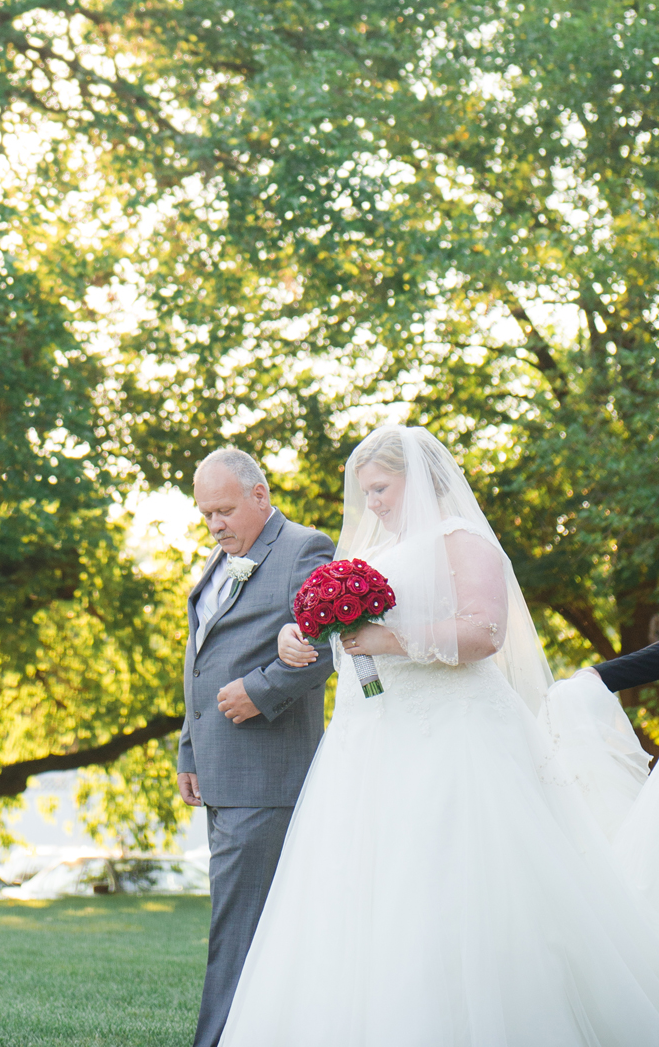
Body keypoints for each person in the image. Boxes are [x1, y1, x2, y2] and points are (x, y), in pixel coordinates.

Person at [219, 424, 659, 1046]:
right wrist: (300, 637)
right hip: (373, 741)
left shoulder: (463, 541)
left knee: (455, 881)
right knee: (361, 892)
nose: (370, 503)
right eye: (364, 492)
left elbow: (483, 634)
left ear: (419, 480)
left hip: (455, 736)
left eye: (380, 488)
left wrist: (385, 640)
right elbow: (336, 633)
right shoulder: (372, 555)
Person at [177, 447, 334, 1047]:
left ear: (260, 496)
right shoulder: (219, 561)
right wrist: (189, 752)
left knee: (237, 929)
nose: (215, 525)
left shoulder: (304, 549)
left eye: (223, 510)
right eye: (206, 514)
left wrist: (260, 691)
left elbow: (325, 647)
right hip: (219, 771)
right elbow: (197, 660)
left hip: (268, 774)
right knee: (246, 925)